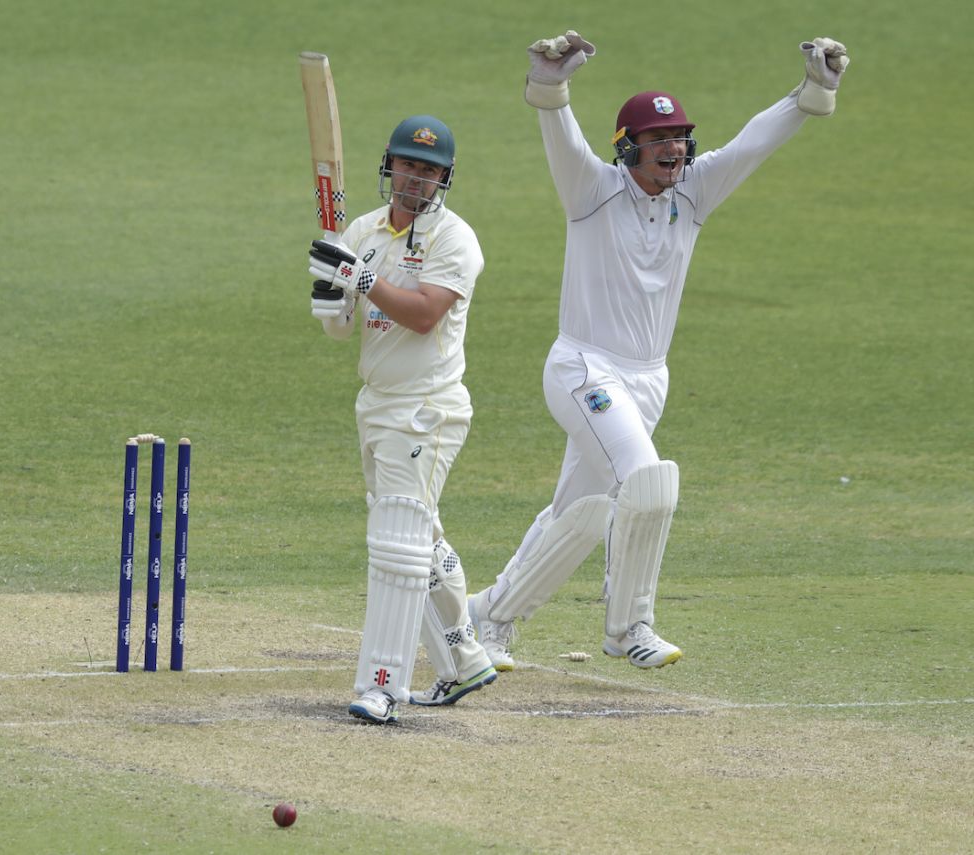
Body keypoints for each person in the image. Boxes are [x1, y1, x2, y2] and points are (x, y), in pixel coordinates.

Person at [468, 31, 851, 671]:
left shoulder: (694, 194)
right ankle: (628, 627)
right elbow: (558, 131)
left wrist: (813, 92)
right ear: (628, 148)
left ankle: (489, 617)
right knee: (648, 483)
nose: (673, 149)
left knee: (581, 512)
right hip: (583, 367)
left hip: (648, 381)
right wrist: (552, 83)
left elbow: (754, 141)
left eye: (678, 139)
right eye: (657, 140)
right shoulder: (591, 189)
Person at [307, 115, 497, 723]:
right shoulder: (361, 229)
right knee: (421, 536)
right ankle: (463, 657)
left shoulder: (455, 239)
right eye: (410, 165)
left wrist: (363, 277)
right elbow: (343, 328)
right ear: (391, 166)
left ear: (444, 178)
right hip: (377, 403)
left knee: (397, 539)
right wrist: (330, 299)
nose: (418, 179)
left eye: (430, 170)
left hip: (427, 408)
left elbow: (422, 316)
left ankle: (383, 685)